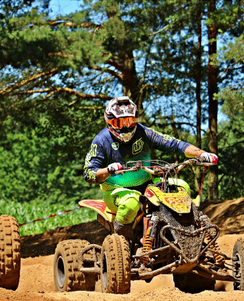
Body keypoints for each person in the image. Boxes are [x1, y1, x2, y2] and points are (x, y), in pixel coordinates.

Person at [83, 96, 218, 239]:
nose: (125, 127)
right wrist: (108, 170)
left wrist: (202, 153)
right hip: (116, 191)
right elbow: (89, 173)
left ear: (135, 120)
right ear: (109, 121)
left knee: (182, 186)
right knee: (130, 203)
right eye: (118, 123)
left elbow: (174, 144)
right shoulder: (101, 140)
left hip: (148, 184)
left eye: (129, 121)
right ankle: (123, 242)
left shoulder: (143, 132)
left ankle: (185, 234)